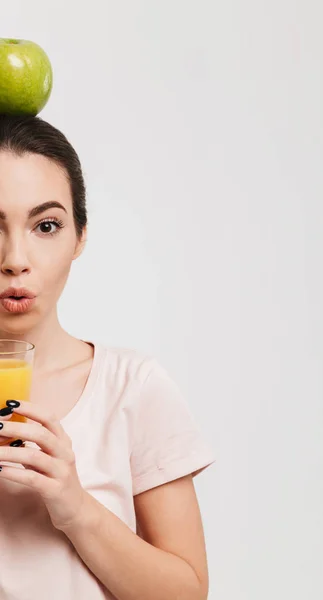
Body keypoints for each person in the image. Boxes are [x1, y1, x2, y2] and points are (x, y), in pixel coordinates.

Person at [0, 115, 214, 600]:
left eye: (46, 225)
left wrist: (74, 506)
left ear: (79, 237)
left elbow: (188, 593)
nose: (15, 257)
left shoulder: (132, 387)